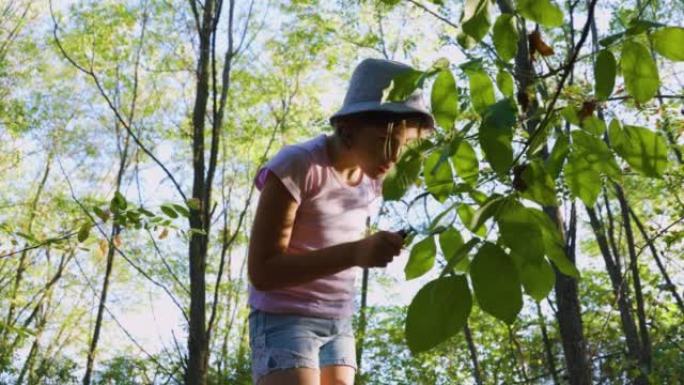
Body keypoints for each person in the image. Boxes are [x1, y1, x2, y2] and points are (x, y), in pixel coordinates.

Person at [247, 58, 435, 385]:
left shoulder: (372, 181)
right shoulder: (297, 165)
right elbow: (262, 272)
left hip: (338, 322)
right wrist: (356, 253)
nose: (392, 157)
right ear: (347, 130)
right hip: (283, 318)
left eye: (402, 145)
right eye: (382, 141)